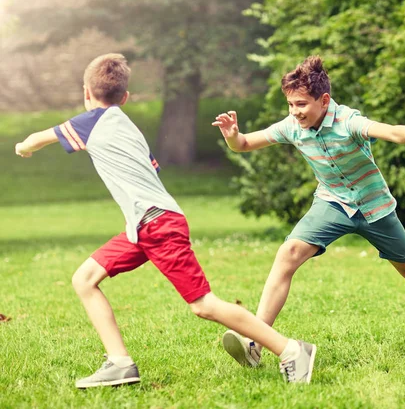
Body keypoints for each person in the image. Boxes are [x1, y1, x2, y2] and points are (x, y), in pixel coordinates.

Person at [14, 53, 317, 387]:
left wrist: (23, 147)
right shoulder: (129, 128)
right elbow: (151, 169)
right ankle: (119, 364)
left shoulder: (91, 121)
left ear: (87, 92)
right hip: (144, 226)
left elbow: (38, 138)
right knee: (84, 279)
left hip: (157, 225)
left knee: (203, 305)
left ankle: (290, 349)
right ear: (126, 98)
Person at [213, 55, 405, 368]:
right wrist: (232, 136)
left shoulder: (348, 122)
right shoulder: (292, 127)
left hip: (373, 205)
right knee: (289, 253)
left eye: (301, 104)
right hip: (333, 203)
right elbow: (244, 144)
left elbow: (392, 132)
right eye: (290, 105)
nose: (295, 112)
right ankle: (255, 341)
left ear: (324, 101)